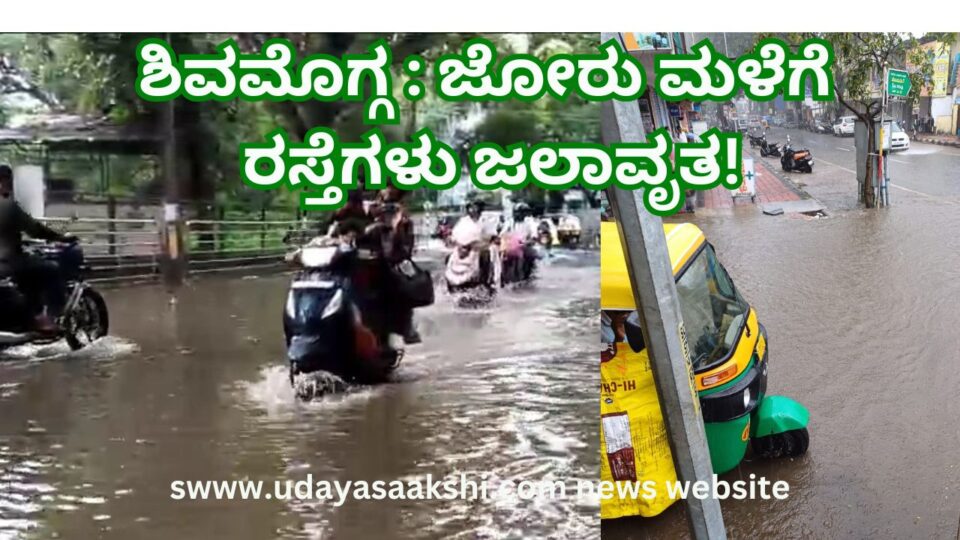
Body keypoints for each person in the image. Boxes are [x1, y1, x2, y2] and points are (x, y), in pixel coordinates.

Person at [0, 165, 74, 333]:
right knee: (51, 269)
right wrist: (60, 237)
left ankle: (32, 313)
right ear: (5, 182)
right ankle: (51, 318)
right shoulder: (8, 206)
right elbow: (35, 230)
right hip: (7, 262)